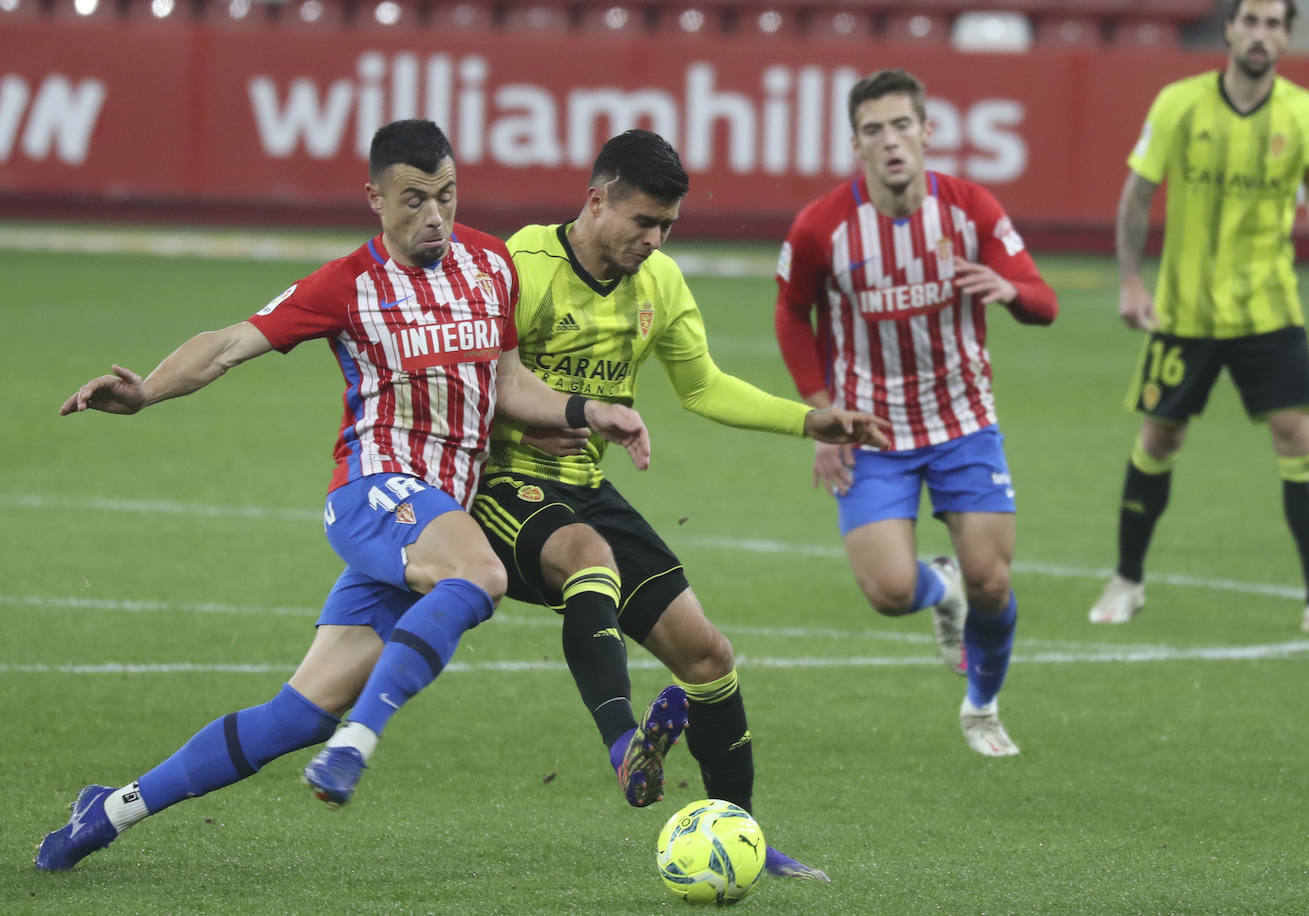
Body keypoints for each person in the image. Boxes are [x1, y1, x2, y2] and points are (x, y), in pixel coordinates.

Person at [35, 119, 651, 871]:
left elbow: (509, 385)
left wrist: (592, 412)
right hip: (374, 492)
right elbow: (231, 342)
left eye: (447, 196)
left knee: (294, 716)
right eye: (414, 200)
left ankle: (109, 811)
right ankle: (358, 742)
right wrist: (147, 392)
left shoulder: (492, 265)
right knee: (482, 574)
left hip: (430, 517)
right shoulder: (348, 285)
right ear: (375, 199)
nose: (434, 216)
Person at [464, 129, 890, 881]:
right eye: (643, 222)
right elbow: (480, 386)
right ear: (596, 202)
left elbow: (703, 387)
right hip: (498, 486)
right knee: (589, 559)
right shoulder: (518, 266)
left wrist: (806, 419)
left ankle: (742, 839)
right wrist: (571, 411)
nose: (655, 241)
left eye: (668, 227)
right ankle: (627, 747)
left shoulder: (658, 282)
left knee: (708, 655)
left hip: (585, 489)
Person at [773, 68, 1059, 758]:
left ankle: (982, 707)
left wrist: (1010, 290)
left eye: (903, 126)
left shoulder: (970, 209)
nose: (891, 141)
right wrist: (822, 414)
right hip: (872, 431)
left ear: (927, 133)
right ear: (856, 145)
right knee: (891, 591)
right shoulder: (822, 227)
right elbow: (791, 312)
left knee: (994, 581)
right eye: (875, 130)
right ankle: (942, 590)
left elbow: (1043, 303)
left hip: (963, 421)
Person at [1087, 0, 1309, 635]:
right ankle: (1127, 579)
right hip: (1184, 312)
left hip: (1270, 310)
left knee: (1298, 438)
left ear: (1287, 39)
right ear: (1230, 30)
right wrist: (1131, 279)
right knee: (1160, 437)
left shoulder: (1307, 114)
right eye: (1252, 21)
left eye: (1274, 25)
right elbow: (1137, 195)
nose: (1261, 34)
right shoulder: (1179, 103)